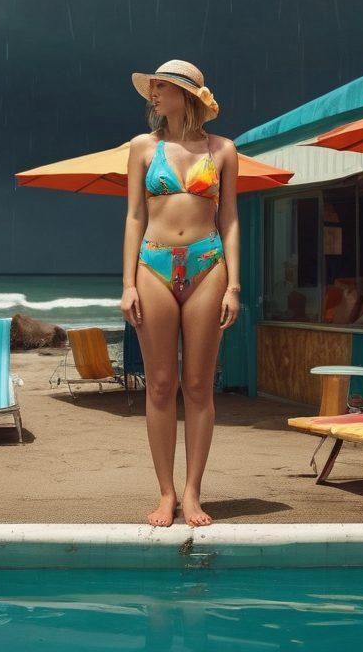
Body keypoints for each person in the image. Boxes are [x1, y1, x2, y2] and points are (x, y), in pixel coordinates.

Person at [121, 59, 241, 527]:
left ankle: (192, 492)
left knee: (197, 385)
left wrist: (234, 286)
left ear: (185, 95)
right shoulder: (142, 147)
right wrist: (128, 284)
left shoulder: (223, 149)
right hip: (152, 264)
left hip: (208, 265)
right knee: (159, 384)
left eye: (161, 87)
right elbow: (134, 215)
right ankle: (165, 493)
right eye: (152, 88)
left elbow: (229, 219)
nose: (153, 94)